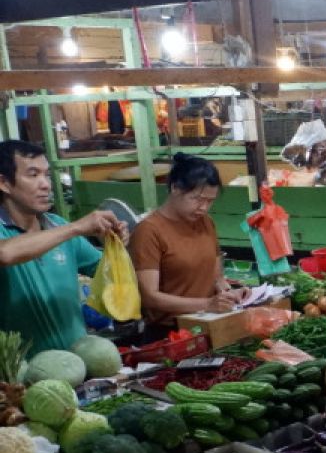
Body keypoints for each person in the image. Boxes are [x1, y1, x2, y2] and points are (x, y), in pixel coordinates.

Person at [0, 140, 127, 354]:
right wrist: (77, 227)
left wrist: (116, 246)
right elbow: (5, 253)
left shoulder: (57, 225)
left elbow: (105, 272)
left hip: (78, 364)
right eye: (33, 175)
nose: (45, 185)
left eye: (47, 174)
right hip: (21, 376)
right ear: (4, 183)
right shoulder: (65, 231)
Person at [130, 153, 248, 332]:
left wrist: (230, 294)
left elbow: (216, 278)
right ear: (175, 188)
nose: (203, 208)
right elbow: (150, 296)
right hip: (170, 332)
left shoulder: (206, 223)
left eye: (210, 201)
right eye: (197, 199)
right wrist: (206, 304)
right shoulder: (149, 231)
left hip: (207, 324)